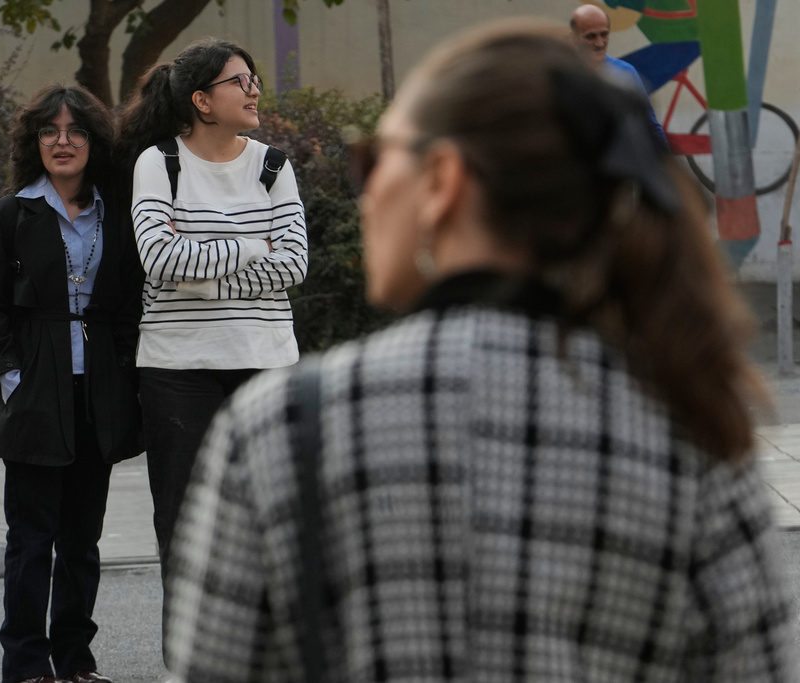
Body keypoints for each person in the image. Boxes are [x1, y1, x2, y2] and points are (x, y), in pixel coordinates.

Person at [161, 20, 797, 682]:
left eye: (373, 160)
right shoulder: (697, 433)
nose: (367, 191)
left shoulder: (282, 427)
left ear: (442, 181)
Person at [113, 38, 308, 662]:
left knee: (276, 527)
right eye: (239, 81)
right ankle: (191, 669)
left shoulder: (274, 166)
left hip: (268, 365)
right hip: (177, 369)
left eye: (254, 79)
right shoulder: (157, 164)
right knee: (185, 530)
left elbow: (296, 264)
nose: (254, 90)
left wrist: (205, 260)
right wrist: (254, 247)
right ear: (201, 100)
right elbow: (160, 260)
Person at [0, 85, 144, 683]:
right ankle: (25, 664)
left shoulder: (114, 217)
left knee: (82, 541)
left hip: (96, 393)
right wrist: (12, 378)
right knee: (31, 540)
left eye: (75, 132)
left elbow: (126, 308)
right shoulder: (11, 214)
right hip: (34, 393)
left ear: (94, 144)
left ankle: (74, 662)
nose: (62, 142)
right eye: (50, 131)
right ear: (34, 142)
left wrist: (119, 369)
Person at [571, 3, 669, 148]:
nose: (599, 43)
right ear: (575, 38)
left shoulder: (625, 71)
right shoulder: (563, 72)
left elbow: (649, 125)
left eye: (604, 34)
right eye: (591, 36)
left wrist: (665, 162)